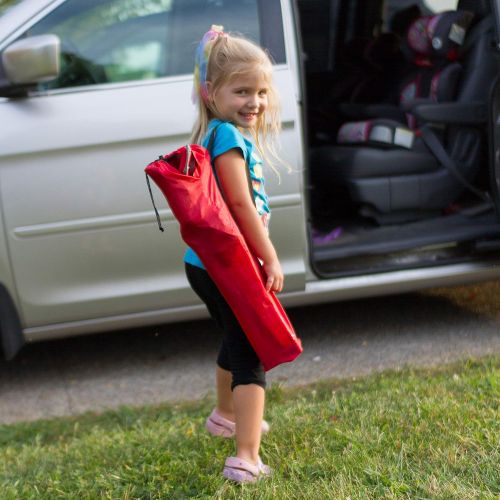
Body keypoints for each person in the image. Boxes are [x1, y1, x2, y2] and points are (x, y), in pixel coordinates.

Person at [184, 25, 284, 483]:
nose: (255, 102)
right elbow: (240, 205)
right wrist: (270, 257)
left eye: (261, 91)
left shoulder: (218, 133)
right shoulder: (226, 137)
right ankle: (246, 457)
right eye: (241, 91)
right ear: (211, 93)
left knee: (233, 338)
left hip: (205, 265)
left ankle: (225, 415)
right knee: (251, 354)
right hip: (230, 265)